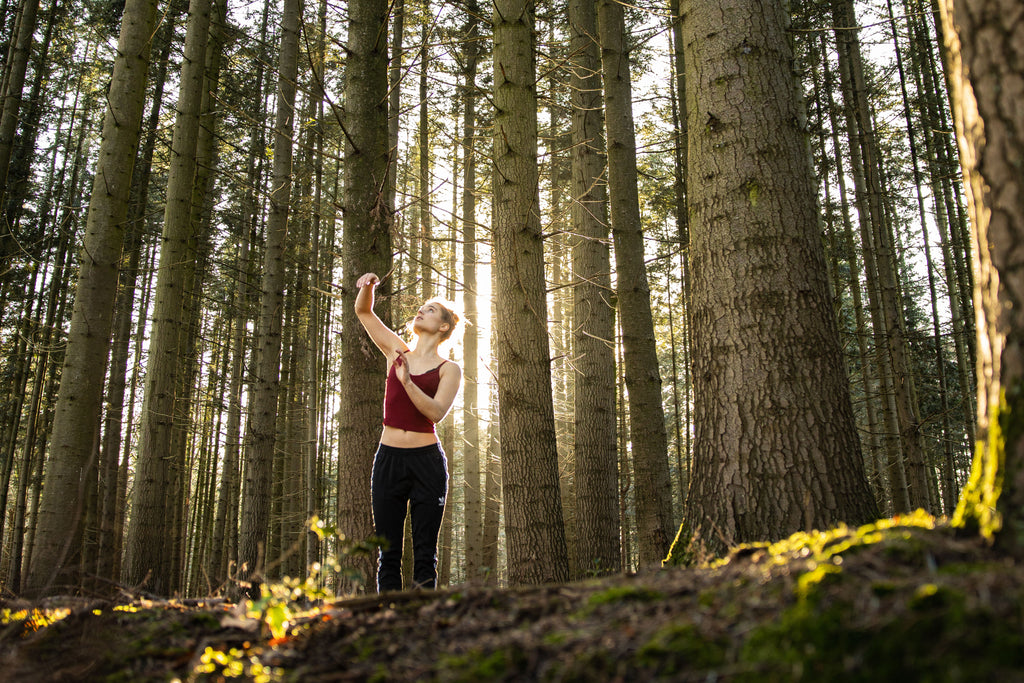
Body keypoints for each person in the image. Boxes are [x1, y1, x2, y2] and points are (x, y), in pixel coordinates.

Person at [354, 272, 463, 592]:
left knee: (425, 555)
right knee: (387, 553)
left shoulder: (450, 370)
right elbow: (364, 313)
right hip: (388, 459)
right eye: (421, 307)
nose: (421, 311)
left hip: (426, 463)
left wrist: (407, 383)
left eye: (430, 310)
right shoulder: (396, 353)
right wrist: (368, 287)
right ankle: (387, 621)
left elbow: (435, 412)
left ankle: (424, 625)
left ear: (443, 326)